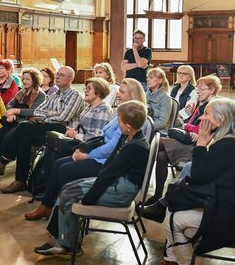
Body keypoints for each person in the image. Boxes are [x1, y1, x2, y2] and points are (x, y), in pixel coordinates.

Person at [138, 97, 235, 265]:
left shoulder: (229, 145)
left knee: (175, 218)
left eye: (206, 114)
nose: (201, 119)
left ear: (221, 119)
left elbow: (199, 176)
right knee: (174, 210)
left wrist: (200, 144)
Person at [33, 101, 150, 256]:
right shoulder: (127, 137)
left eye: (119, 121)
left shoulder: (135, 147)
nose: (117, 124)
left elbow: (109, 175)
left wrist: (88, 198)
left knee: (68, 196)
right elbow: (109, 166)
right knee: (67, 188)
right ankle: (63, 237)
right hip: (117, 183)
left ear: (128, 126)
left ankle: (67, 244)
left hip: (121, 191)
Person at [24, 77, 145, 221]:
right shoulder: (120, 113)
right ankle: (47, 206)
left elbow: (111, 148)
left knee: (64, 169)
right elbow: (102, 138)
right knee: (58, 162)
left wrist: (87, 155)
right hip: (100, 153)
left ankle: (60, 214)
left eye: (122, 92)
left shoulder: (127, 119)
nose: (118, 95)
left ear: (132, 95)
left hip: (105, 162)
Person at [0, 66, 85, 194]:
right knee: (25, 139)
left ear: (70, 78)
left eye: (61, 75)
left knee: (24, 126)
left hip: (64, 132)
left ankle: (2, 161)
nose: (57, 77)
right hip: (47, 128)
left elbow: (63, 117)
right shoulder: (53, 95)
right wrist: (51, 113)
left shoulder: (75, 95)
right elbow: (37, 111)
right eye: (57, 74)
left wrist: (46, 115)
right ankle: (20, 181)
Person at [149, 75, 222, 204]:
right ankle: (158, 195)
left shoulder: (212, 107)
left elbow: (201, 130)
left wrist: (186, 126)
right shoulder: (201, 105)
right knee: (160, 155)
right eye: (198, 88)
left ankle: (137, 179)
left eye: (202, 89)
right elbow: (193, 126)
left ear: (212, 90)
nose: (198, 91)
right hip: (189, 141)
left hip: (197, 147)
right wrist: (188, 127)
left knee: (155, 144)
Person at [0, 68, 47, 182]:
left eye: (27, 79)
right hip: (14, 121)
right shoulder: (21, 92)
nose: (24, 81)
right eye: (23, 79)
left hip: (26, 124)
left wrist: (16, 111)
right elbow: (9, 105)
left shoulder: (41, 95)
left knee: (7, 138)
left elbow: (35, 111)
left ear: (35, 80)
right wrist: (10, 114)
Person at [146, 67, 171, 137]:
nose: (148, 79)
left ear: (160, 80)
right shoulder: (146, 94)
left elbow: (162, 122)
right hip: (146, 126)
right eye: (147, 77)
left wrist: (146, 126)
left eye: (151, 78)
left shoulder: (166, 98)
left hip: (159, 131)